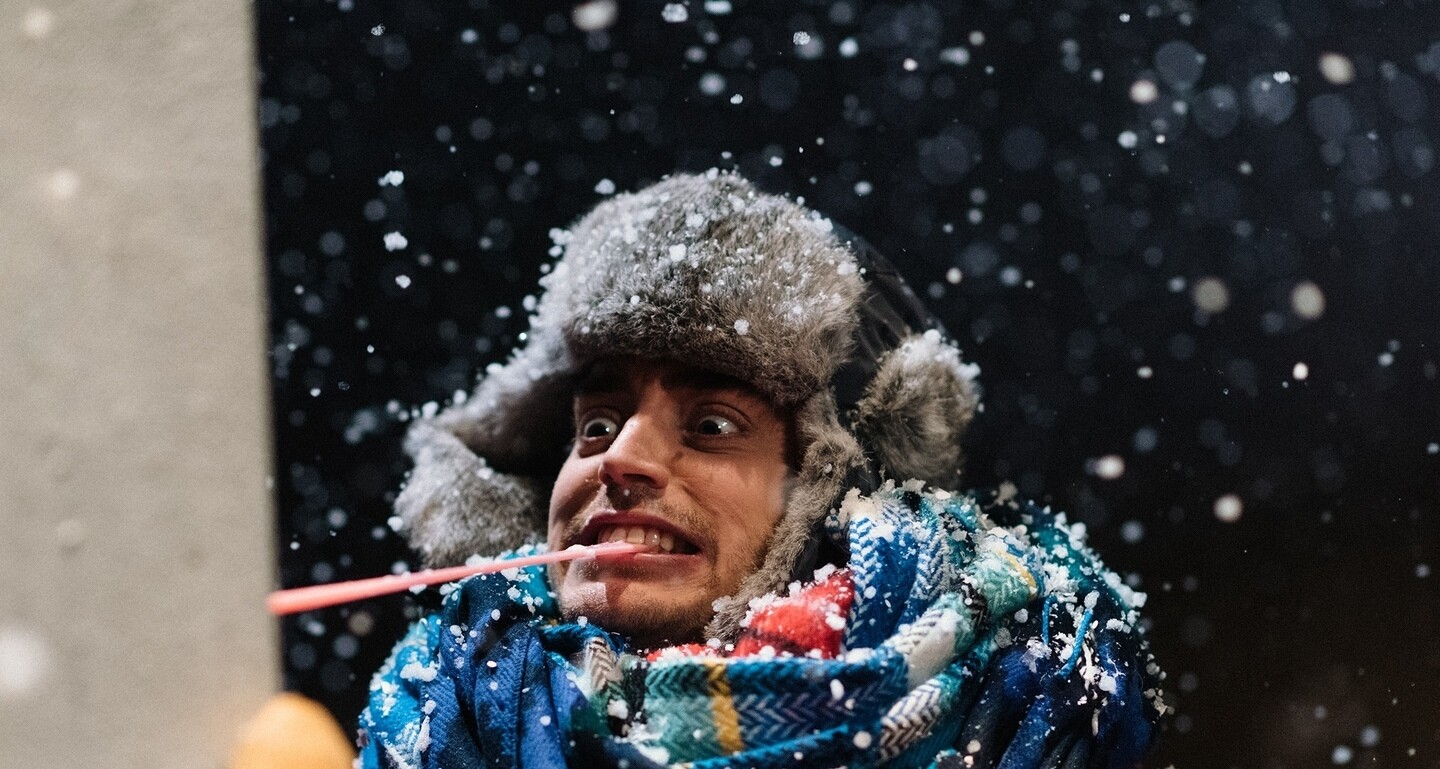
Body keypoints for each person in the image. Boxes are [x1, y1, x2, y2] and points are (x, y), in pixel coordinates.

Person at [359, 171, 1168, 768]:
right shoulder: (437, 716)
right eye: (595, 425)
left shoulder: (1038, 710)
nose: (620, 460)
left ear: (834, 503)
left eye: (712, 425)